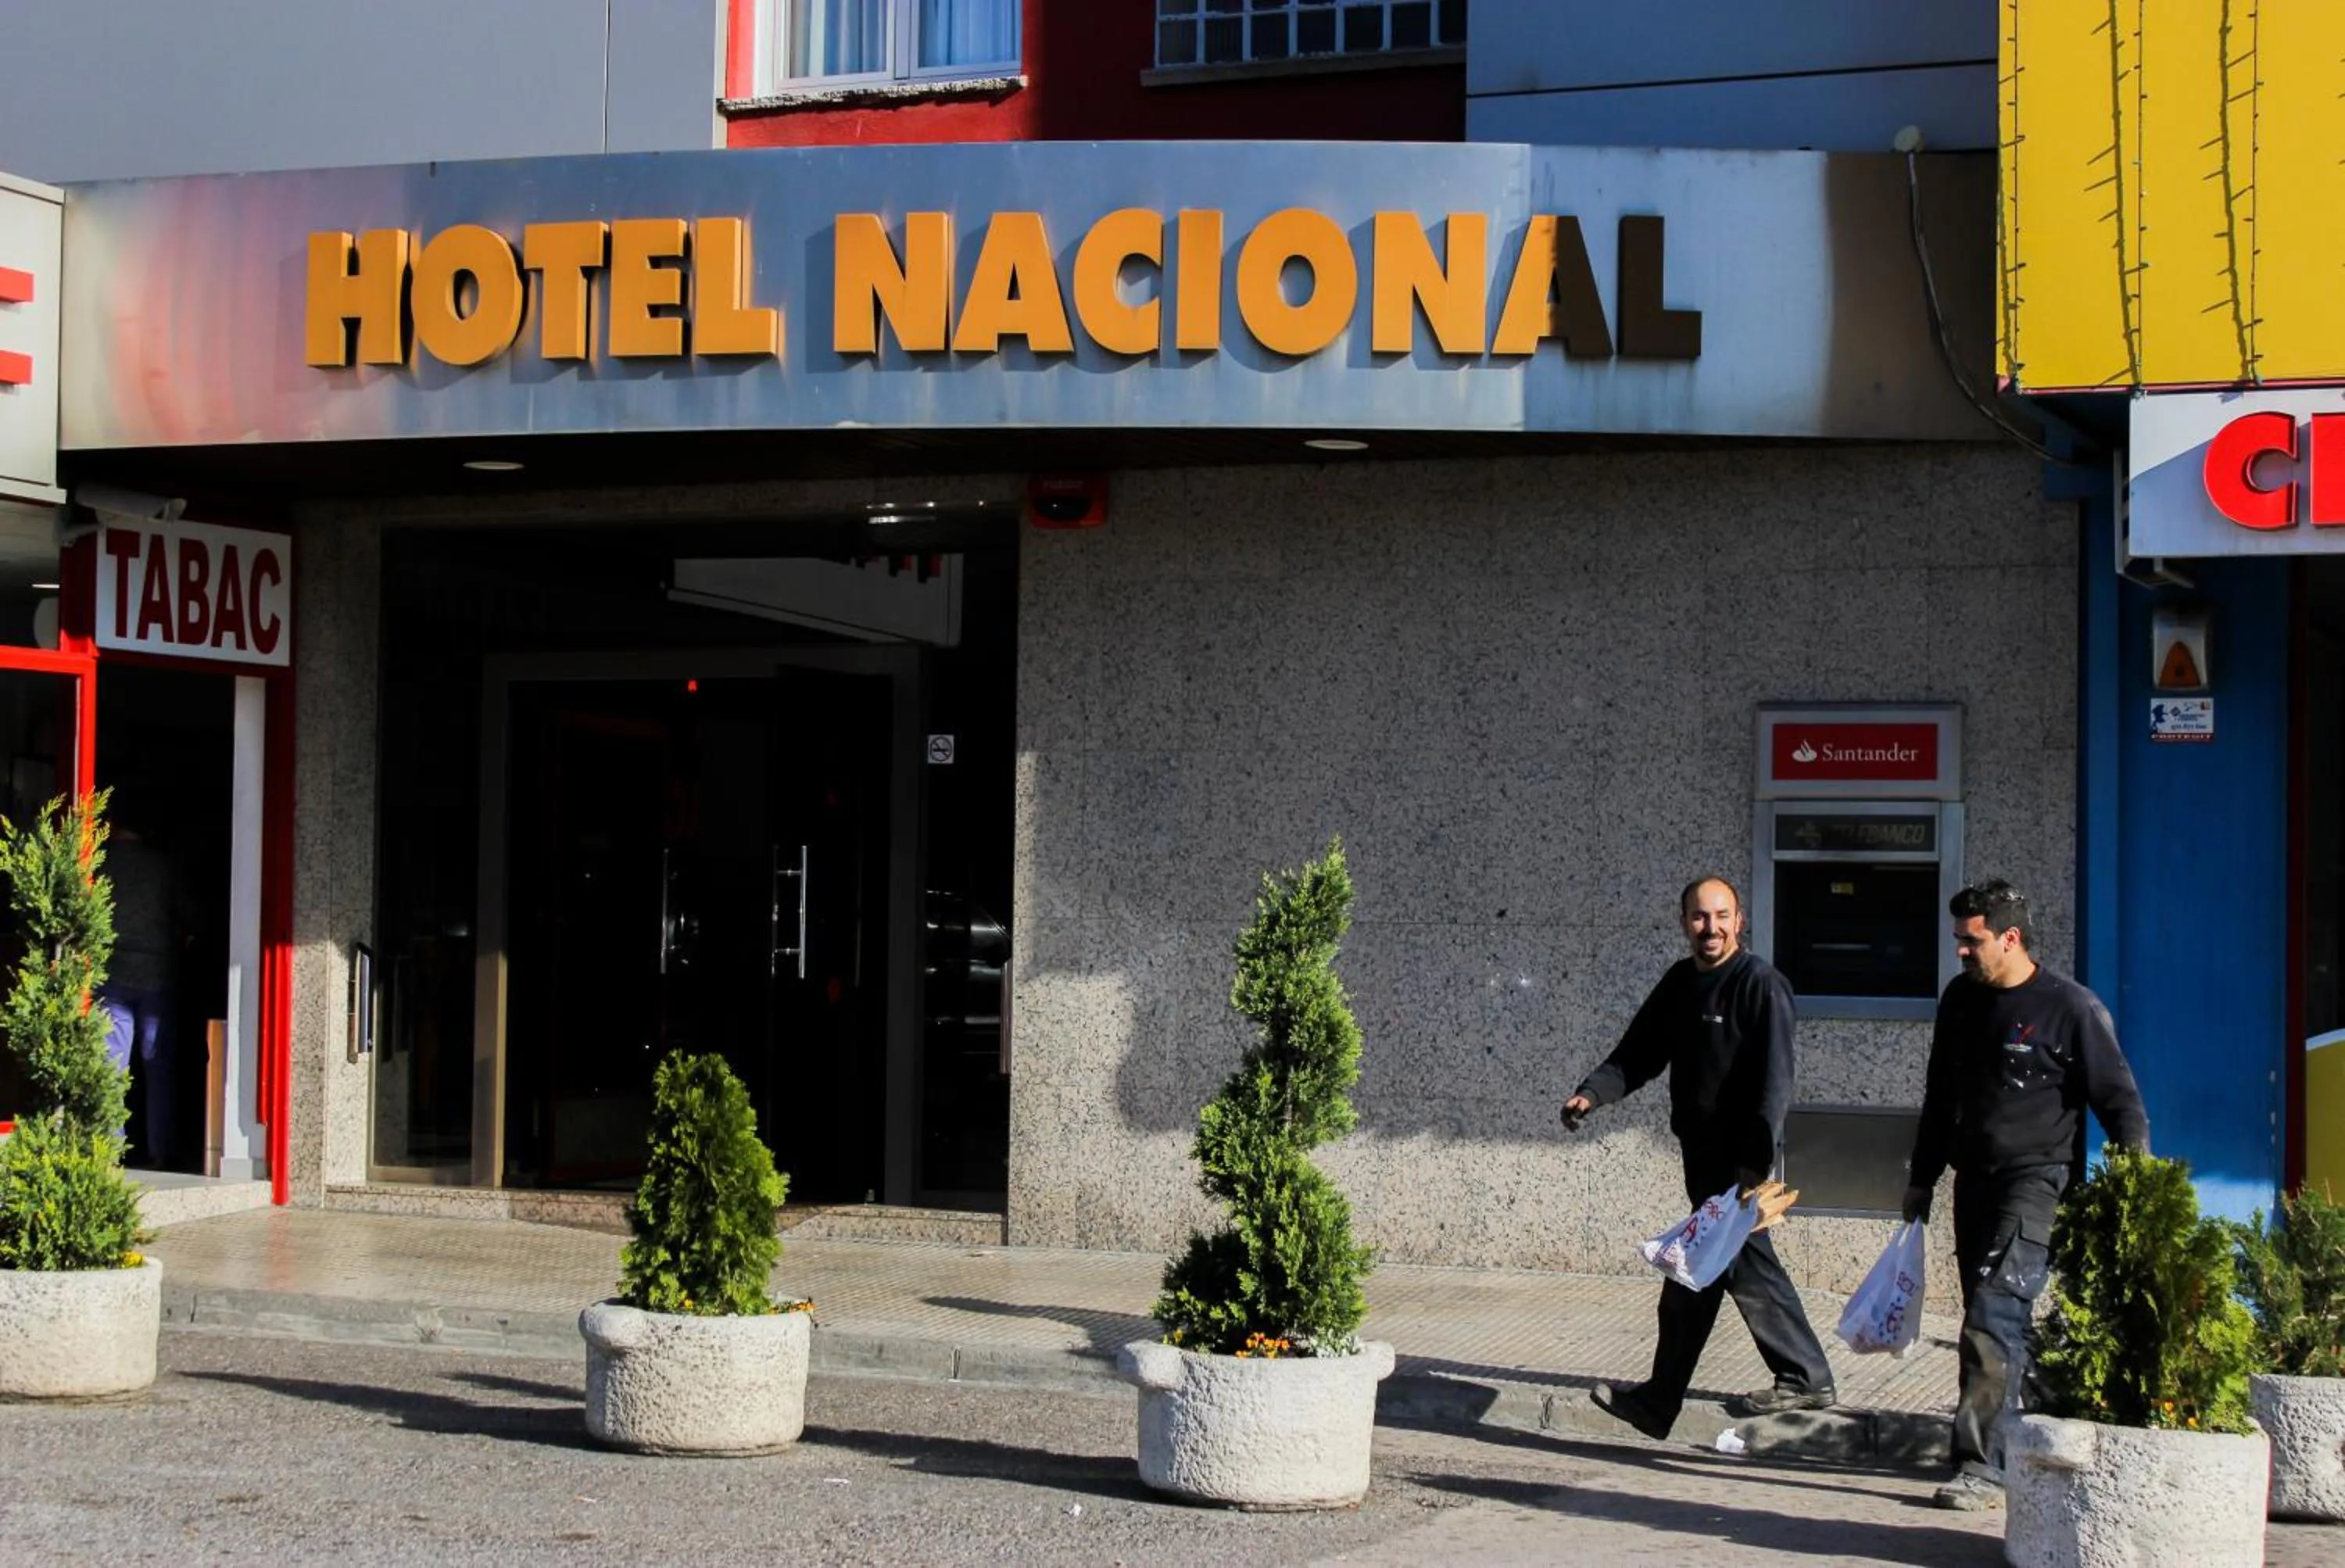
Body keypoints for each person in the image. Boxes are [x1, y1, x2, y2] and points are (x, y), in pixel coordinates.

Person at [1902, 879, 2149, 1512]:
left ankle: (1982, 1465)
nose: (1960, 951)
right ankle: (2038, 1425)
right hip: (1973, 1182)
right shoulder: (1960, 1001)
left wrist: (2135, 1189)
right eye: (1958, 939)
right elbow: (1939, 1097)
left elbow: (2120, 1105)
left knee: (1994, 1316)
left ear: (2010, 938)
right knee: (1996, 1320)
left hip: (2037, 1183)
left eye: (1972, 940)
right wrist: (1922, 1178)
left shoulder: (2070, 1008)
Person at [1564, 876, 1836, 1439]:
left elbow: (1775, 1081)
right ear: (1683, 921)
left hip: (1740, 1164)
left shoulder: (1761, 985)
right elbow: (1639, 1052)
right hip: (1702, 1155)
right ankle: (1671, 1400)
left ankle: (1793, 1377)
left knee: (1711, 1272)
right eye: (1698, 917)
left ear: (1739, 922)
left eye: (1720, 916)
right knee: (1706, 1275)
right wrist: (1592, 1093)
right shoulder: (1682, 984)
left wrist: (1754, 1166)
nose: (1709, 928)